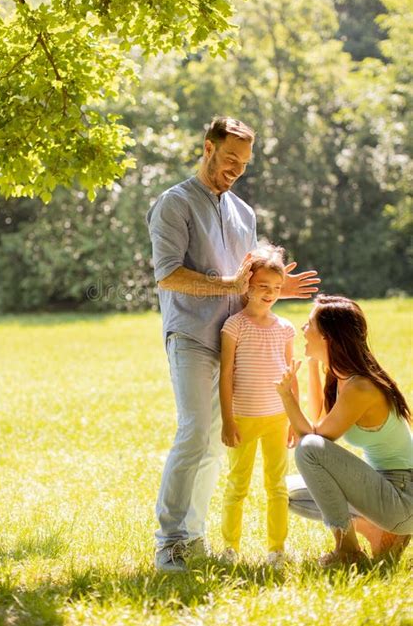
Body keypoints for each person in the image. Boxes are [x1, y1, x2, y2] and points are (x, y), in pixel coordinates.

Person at [147, 116, 320, 572]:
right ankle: (170, 541)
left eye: (243, 163)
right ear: (207, 148)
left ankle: (195, 536)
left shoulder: (244, 214)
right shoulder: (174, 204)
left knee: (212, 442)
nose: (236, 169)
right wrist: (226, 284)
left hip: (237, 343)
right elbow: (168, 274)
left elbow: (246, 285)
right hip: (191, 335)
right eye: (229, 159)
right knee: (194, 432)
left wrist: (274, 290)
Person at [275, 295, 412, 567]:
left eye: (310, 324)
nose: (303, 329)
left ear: (328, 336)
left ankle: (348, 550)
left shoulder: (361, 387)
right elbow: (317, 421)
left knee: (308, 450)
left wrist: (287, 397)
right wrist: (314, 365)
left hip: (403, 495)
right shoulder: (343, 377)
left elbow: (311, 438)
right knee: (282, 492)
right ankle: (377, 531)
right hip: (385, 488)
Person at [219, 244, 298, 568]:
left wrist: (294, 419)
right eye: (263, 287)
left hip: (277, 419)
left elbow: (290, 378)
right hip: (243, 418)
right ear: (247, 286)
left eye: (276, 288)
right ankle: (229, 549)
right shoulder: (234, 326)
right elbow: (225, 376)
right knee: (238, 484)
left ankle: (276, 550)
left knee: (277, 486)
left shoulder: (285, 329)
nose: (270, 293)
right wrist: (227, 421)